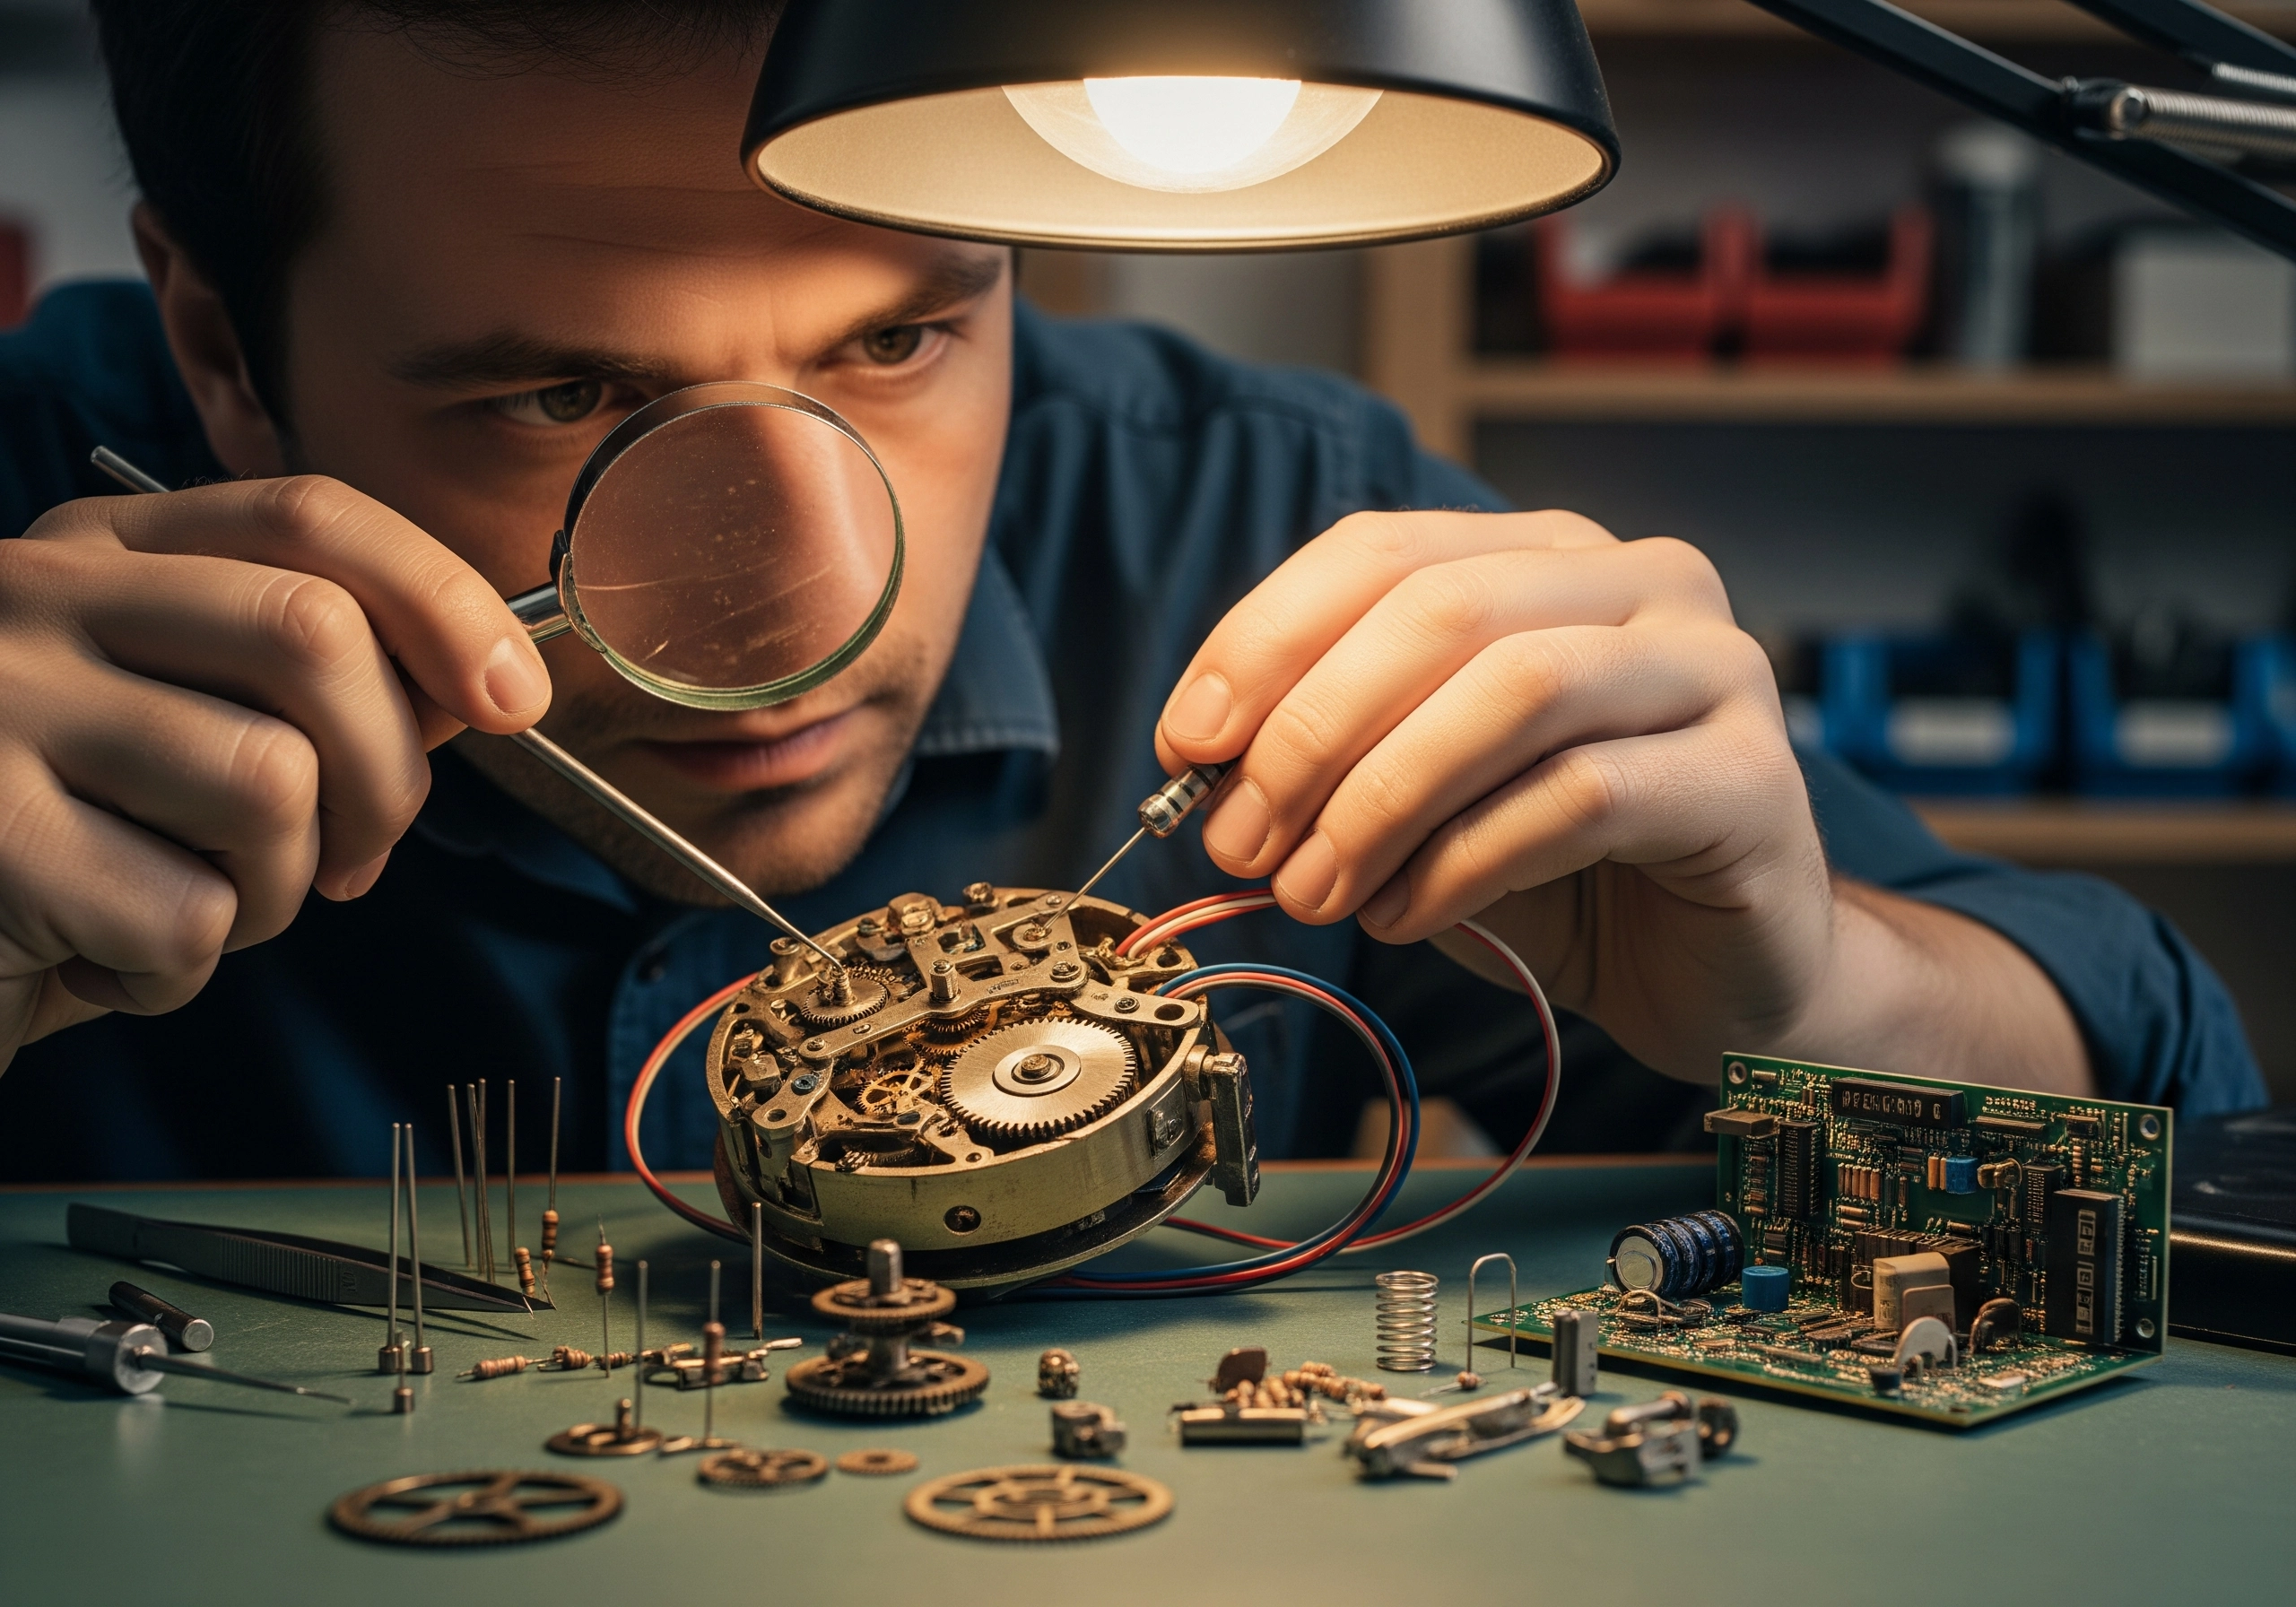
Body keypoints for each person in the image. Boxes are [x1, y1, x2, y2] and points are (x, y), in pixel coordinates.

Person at [0, 2, 2263, 1182]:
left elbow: (2173, 1107)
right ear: (218, 342)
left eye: (903, 336)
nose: (805, 596)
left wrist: (1821, 984)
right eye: (567, 395)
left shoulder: (1259, 519)